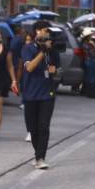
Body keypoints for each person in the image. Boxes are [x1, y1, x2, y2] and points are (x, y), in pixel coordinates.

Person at [21, 21, 60, 169]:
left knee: (44, 126)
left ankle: (40, 158)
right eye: (45, 30)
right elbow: (29, 68)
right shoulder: (28, 48)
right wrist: (42, 52)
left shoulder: (53, 51)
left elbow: (56, 70)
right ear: (37, 31)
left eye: (48, 31)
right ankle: (38, 154)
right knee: (33, 128)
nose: (47, 33)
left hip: (47, 94)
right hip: (30, 94)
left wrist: (54, 71)